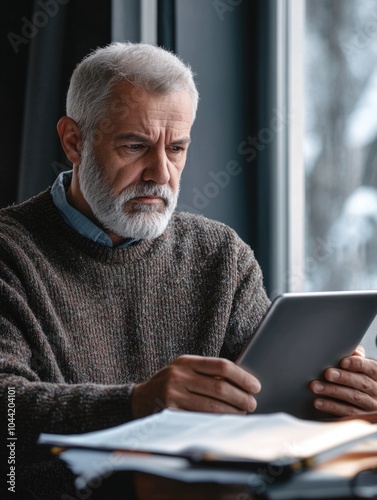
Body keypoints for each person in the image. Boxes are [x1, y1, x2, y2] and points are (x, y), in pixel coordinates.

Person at [0, 42, 376, 499]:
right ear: (74, 141)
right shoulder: (11, 254)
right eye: (135, 146)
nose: (160, 172)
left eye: (176, 148)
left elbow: (266, 409)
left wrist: (333, 392)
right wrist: (136, 404)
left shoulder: (220, 255)